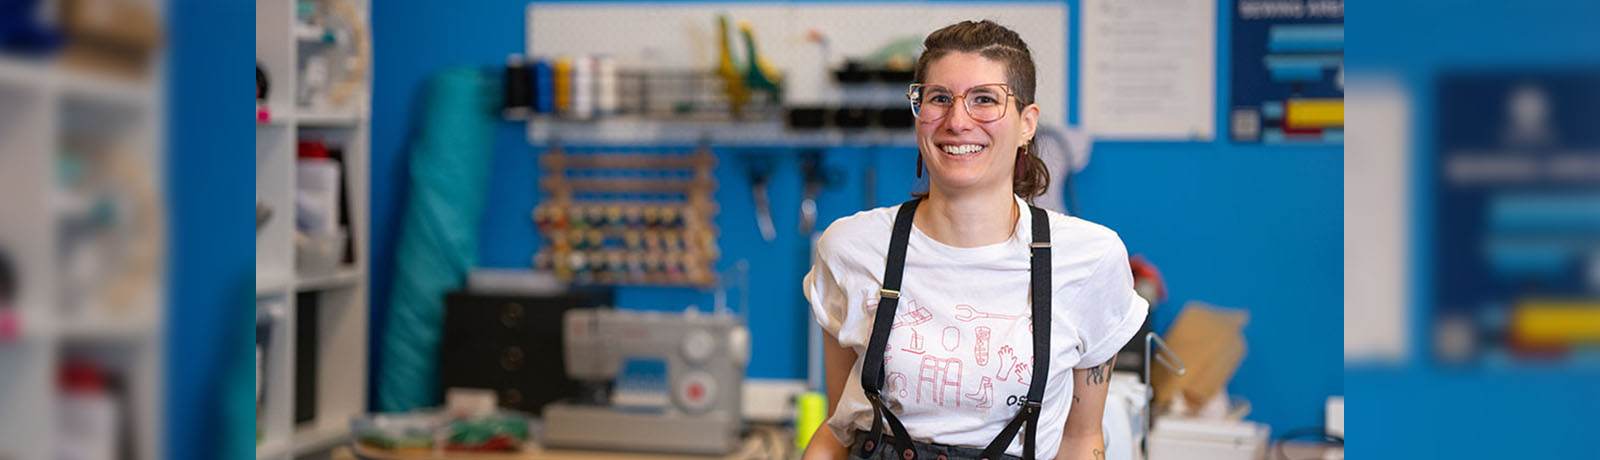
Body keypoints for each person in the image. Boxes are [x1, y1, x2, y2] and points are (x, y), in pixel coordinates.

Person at [801, 20, 1147, 460]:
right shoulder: (851, 247)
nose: (957, 121)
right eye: (939, 98)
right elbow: (839, 429)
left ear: (1027, 123)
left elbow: (1080, 440)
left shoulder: (1089, 258)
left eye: (985, 99)